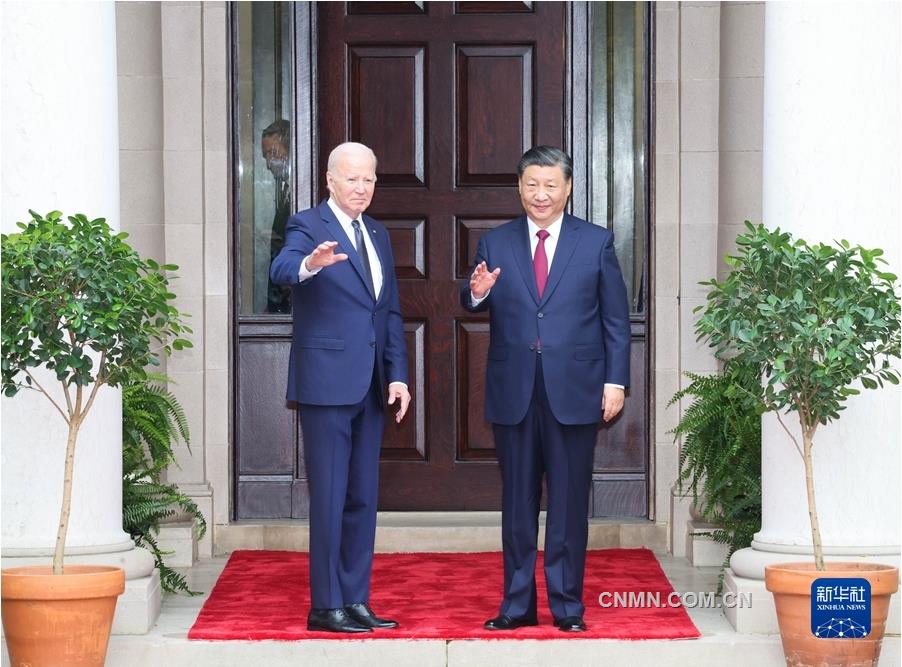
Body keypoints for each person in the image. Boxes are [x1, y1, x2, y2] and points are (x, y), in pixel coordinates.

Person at [461, 145, 631, 633]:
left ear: (568, 188)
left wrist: (614, 381)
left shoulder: (595, 242)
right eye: (531, 185)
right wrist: (476, 291)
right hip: (515, 391)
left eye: (550, 185)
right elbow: (470, 298)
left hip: (575, 391)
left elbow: (615, 321)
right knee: (517, 505)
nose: (541, 194)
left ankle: (567, 607)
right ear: (519, 188)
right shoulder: (495, 243)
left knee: (568, 504)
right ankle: (516, 605)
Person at [270, 142, 411, 633]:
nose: (362, 188)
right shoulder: (308, 225)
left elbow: (388, 310)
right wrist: (310, 264)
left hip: (371, 385)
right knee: (329, 497)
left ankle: (355, 599)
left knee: (361, 499)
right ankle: (324, 605)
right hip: (327, 385)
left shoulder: (377, 233)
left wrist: (398, 374)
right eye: (352, 178)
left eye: (369, 179)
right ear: (329, 180)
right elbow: (282, 269)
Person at [262, 119, 293, 313]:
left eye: (273, 153)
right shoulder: (285, 192)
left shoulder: (301, 196)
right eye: (265, 156)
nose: (268, 164)